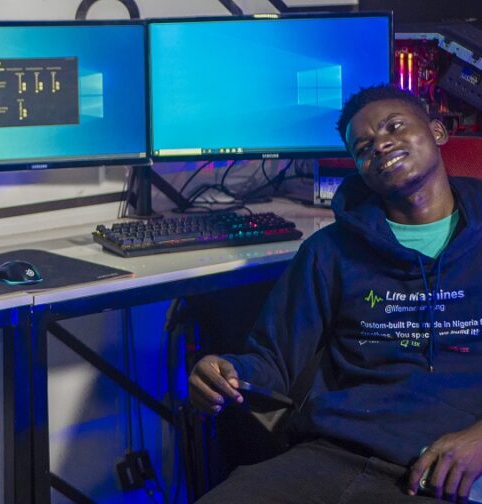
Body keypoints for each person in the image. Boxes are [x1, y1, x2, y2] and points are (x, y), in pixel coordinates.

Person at [189, 85, 482, 503]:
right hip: (338, 452)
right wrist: (225, 371)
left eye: (394, 127)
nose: (380, 145)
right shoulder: (330, 251)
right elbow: (270, 359)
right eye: (363, 147)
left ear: (437, 131)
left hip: (446, 465)